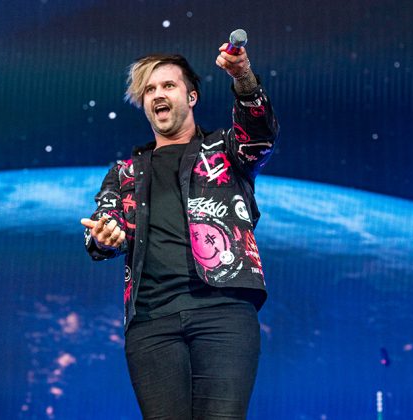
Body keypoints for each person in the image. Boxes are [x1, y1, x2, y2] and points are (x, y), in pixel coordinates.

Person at [81, 41, 279, 419]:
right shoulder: (124, 173)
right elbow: (103, 226)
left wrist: (243, 77)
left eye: (168, 86)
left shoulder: (225, 150)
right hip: (151, 321)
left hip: (223, 312)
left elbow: (260, 133)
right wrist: (104, 237)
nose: (158, 94)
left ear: (191, 97)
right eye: (150, 90)